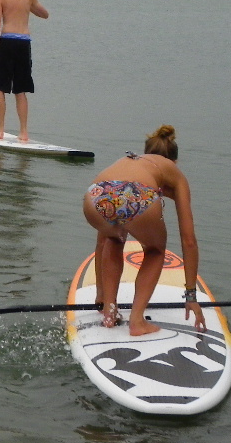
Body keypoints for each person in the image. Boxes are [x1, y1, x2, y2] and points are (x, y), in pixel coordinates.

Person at [82, 124, 206, 336]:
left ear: (146, 153)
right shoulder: (174, 173)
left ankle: (109, 313)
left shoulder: (130, 162)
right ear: (174, 161)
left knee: (114, 238)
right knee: (155, 250)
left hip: (95, 194)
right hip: (137, 195)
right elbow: (188, 240)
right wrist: (191, 296)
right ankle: (137, 321)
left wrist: (100, 294)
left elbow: (101, 242)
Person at [0, 0, 49, 142]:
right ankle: (23, 133)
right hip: (24, 43)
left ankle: (0, 130)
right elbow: (45, 14)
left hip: (7, 42)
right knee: (20, 89)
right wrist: (27, 7)